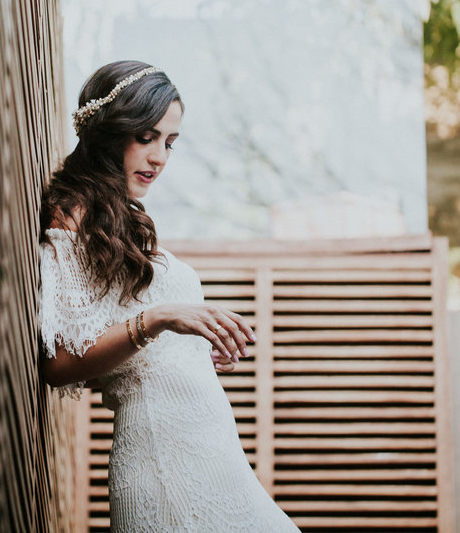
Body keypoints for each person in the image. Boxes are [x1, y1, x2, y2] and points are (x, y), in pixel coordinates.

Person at [39, 60, 299, 531]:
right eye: (147, 137)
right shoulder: (72, 216)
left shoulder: (122, 223)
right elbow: (59, 362)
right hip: (164, 463)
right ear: (110, 131)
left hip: (214, 456)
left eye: (170, 143)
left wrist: (193, 347)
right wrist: (159, 320)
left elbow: (132, 335)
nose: (160, 157)